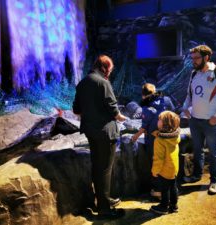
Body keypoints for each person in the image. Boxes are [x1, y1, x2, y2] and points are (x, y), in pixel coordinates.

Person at [72, 55, 127, 219]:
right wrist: (120, 116)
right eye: (109, 70)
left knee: (97, 166)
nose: (109, 73)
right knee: (105, 169)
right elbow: (112, 107)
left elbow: (76, 109)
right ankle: (104, 208)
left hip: (90, 131)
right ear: (105, 67)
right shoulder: (103, 82)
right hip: (105, 132)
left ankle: (104, 199)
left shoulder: (82, 83)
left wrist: (91, 114)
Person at [182, 45, 216, 194]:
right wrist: (185, 107)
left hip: (211, 122)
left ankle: (215, 181)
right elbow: (189, 95)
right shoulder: (194, 74)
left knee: (214, 151)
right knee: (197, 150)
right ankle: (197, 175)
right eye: (192, 58)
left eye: (196, 58)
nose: (194, 61)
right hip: (195, 121)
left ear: (206, 57)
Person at [131, 83, 174, 197]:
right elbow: (173, 114)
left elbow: (144, 126)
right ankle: (168, 188)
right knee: (166, 162)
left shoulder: (146, 108)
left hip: (153, 141)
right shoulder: (166, 100)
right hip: (167, 138)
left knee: (155, 164)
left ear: (143, 95)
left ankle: (157, 190)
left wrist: (135, 136)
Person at [150, 111, 181, 215]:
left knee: (165, 189)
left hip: (165, 168)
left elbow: (158, 158)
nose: (157, 121)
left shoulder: (160, 140)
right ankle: (174, 205)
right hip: (174, 167)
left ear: (165, 124)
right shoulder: (175, 136)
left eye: (159, 120)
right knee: (173, 186)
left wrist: (155, 171)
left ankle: (163, 207)